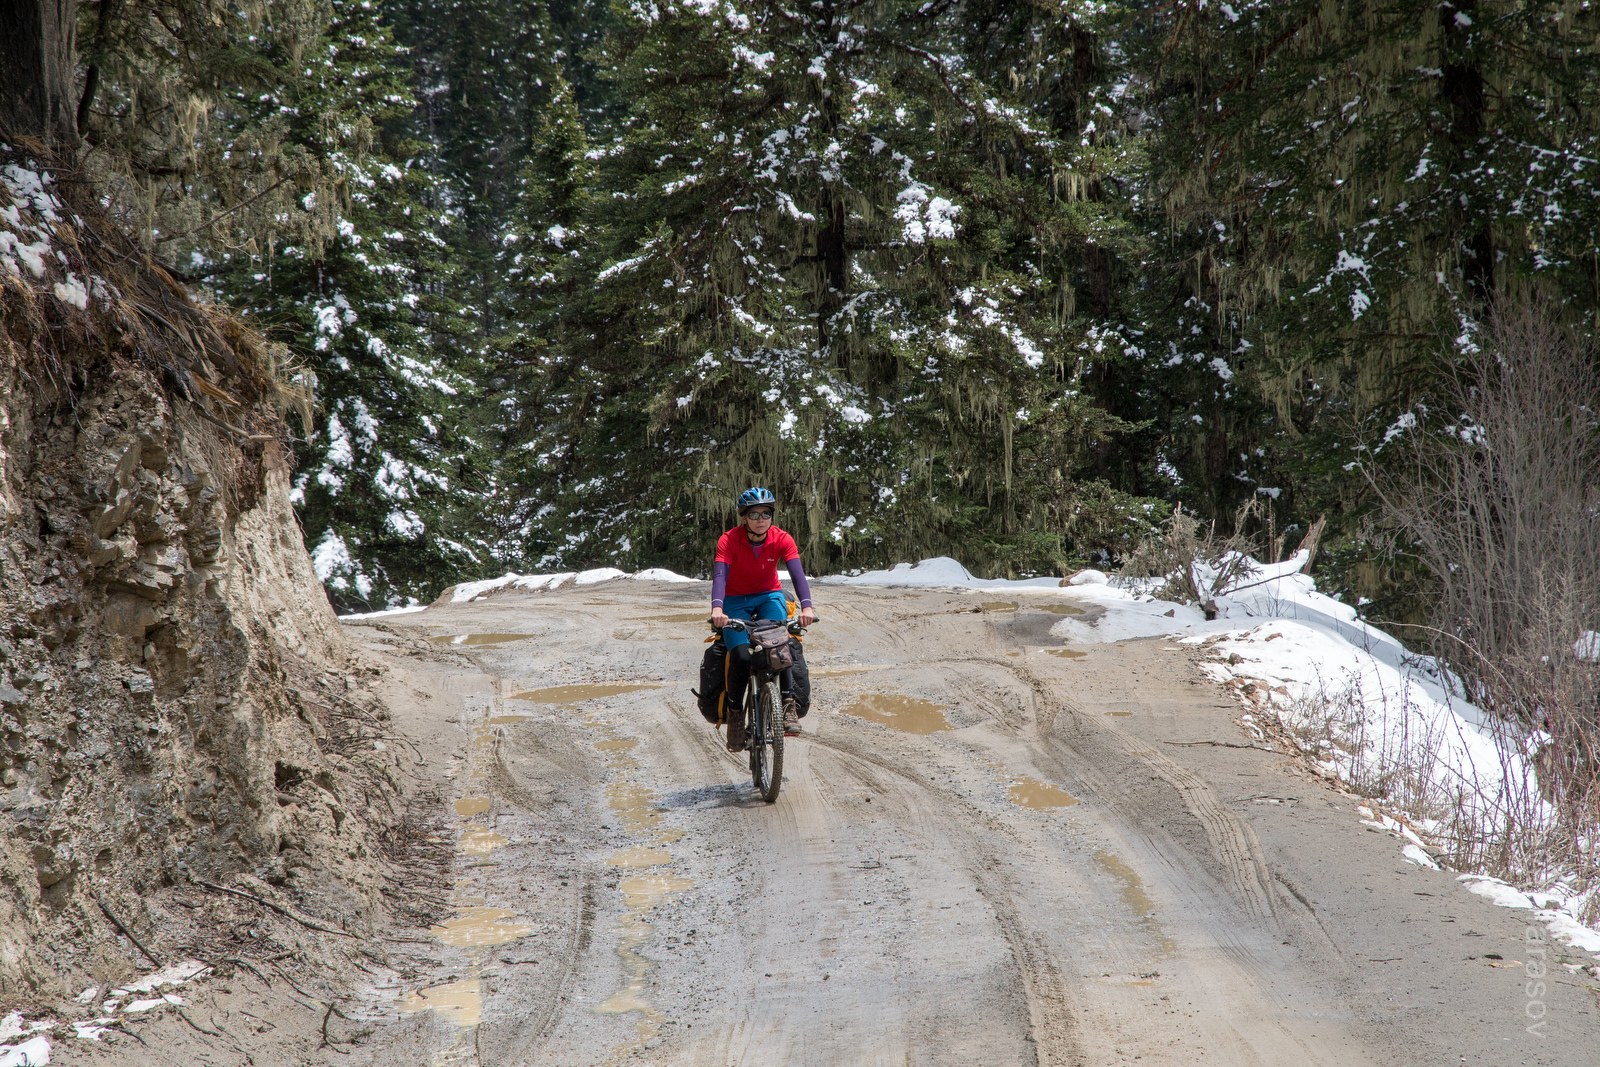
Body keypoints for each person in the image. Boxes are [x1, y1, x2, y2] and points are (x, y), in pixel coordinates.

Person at [711, 487, 816, 751]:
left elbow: (797, 574)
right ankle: (736, 714)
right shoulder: (729, 540)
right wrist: (717, 609)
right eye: (754, 514)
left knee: (780, 642)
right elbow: (720, 575)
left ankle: (788, 705)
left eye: (766, 514)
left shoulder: (782, 538)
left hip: (769, 596)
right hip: (735, 600)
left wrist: (807, 607)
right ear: (744, 517)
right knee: (741, 655)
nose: (761, 519)